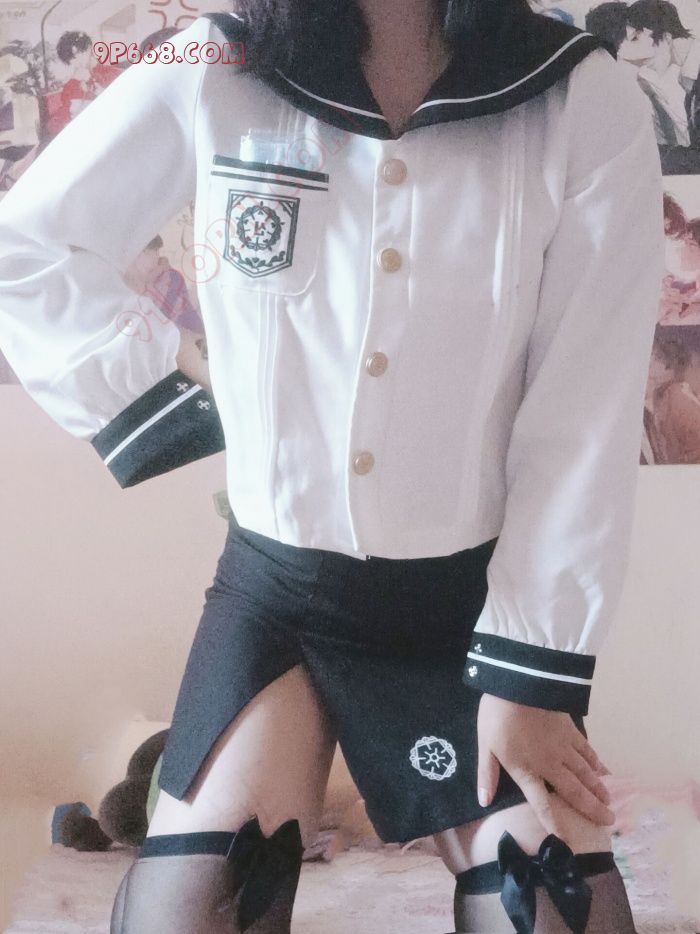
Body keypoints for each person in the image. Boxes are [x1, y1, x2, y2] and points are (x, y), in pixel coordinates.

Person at [0, 0, 665, 931]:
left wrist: (530, 680)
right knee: (196, 910)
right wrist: (181, 377)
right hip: (278, 598)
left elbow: (582, 412)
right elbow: (23, 247)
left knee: (549, 907)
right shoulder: (212, 65)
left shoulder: (580, 98)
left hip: (471, 612)